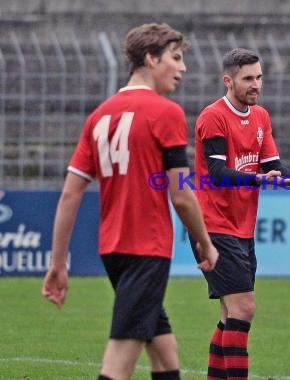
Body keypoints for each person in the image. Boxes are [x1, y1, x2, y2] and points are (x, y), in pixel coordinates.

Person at [42, 23, 219, 380]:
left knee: (166, 354)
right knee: (119, 364)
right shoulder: (164, 112)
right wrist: (204, 240)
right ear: (151, 59)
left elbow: (70, 193)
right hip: (147, 248)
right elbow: (182, 194)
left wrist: (58, 262)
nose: (183, 68)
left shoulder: (99, 116)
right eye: (176, 58)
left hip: (113, 248)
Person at [189, 47, 290, 380]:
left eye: (259, 77)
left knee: (230, 314)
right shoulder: (213, 117)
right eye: (248, 78)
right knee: (244, 308)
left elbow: (272, 167)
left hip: (243, 228)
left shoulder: (261, 117)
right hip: (214, 227)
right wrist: (257, 179)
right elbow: (216, 171)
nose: (256, 84)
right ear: (228, 80)